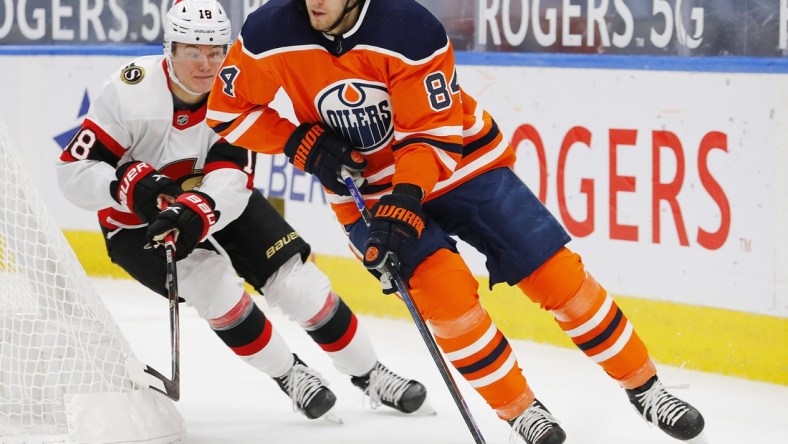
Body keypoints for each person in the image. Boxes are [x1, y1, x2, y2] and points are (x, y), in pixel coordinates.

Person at [205, 0, 708, 443]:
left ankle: (647, 389)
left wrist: (405, 201)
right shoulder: (266, 33)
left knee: (558, 275)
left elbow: (434, 134)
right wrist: (297, 142)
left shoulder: (409, 28)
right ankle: (522, 412)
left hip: (464, 163)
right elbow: (226, 111)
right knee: (445, 297)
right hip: (366, 189)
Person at [55, 0, 427, 423]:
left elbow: (232, 177)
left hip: (216, 205)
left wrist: (199, 209)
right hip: (137, 225)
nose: (206, 64)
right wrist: (128, 186)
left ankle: (371, 373)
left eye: (215, 51)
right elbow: (72, 171)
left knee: (298, 283)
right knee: (214, 289)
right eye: (193, 51)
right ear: (169, 49)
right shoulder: (129, 92)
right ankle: (291, 375)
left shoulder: (235, 89)